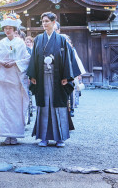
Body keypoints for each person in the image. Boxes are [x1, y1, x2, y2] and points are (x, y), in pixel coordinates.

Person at [27, 11, 74, 148]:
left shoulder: (62, 40)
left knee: (58, 105)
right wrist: (33, 75)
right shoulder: (39, 39)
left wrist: (66, 77)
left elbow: (68, 60)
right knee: (44, 105)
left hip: (58, 77)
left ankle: (60, 138)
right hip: (42, 77)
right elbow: (34, 58)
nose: (44, 24)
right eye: (43, 21)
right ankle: (44, 137)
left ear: (54, 23)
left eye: (47, 21)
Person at [0, 13, 30, 145]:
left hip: (14, 79)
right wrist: (0, 62)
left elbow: (26, 59)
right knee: (3, 106)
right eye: (6, 28)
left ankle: (15, 134)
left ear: (14, 30)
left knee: (15, 107)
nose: (7, 30)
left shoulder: (20, 43)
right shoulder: (1, 43)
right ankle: (6, 134)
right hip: (2, 79)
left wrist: (15, 63)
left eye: (10, 28)